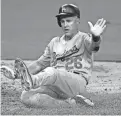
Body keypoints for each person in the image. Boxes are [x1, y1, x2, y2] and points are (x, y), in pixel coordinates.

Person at [1, 4, 107, 108]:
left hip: (77, 83)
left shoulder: (84, 38)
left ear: (77, 21)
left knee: (52, 72)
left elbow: (94, 46)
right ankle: (71, 104)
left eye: (69, 21)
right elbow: (39, 64)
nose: (65, 24)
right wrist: (17, 75)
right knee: (26, 96)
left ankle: (33, 81)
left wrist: (96, 36)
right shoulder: (54, 42)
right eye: (62, 21)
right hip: (56, 84)